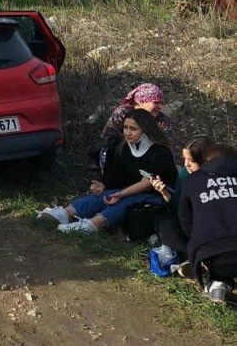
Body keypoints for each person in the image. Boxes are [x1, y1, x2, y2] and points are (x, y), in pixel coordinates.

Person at [38, 109, 177, 233]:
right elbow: (115, 174)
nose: (127, 133)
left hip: (157, 197)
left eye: (133, 129)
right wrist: (102, 185)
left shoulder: (160, 152)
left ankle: (92, 225)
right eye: (125, 128)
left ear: (146, 130)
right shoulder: (124, 148)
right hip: (128, 190)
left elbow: (147, 183)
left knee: (125, 201)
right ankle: (65, 214)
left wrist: (121, 194)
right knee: (101, 196)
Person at [179, 143, 237, 303]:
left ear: (204, 162)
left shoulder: (192, 181)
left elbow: (185, 222)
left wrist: (197, 246)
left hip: (212, 255)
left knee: (220, 264)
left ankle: (218, 285)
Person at [152, 136, 213, 278]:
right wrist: (165, 193)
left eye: (191, 161)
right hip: (189, 228)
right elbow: (177, 209)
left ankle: (200, 261)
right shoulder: (185, 174)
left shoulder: (219, 177)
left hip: (214, 230)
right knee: (165, 224)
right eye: (184, 160)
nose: (186, 164)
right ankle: (192, 260)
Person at [101, 83, 179, 161]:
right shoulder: (123, 113)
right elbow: (107, 138)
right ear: (141, 102)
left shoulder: (163, 121)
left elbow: (170, 147)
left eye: (161, 103)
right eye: (156, 102)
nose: (160, 107)